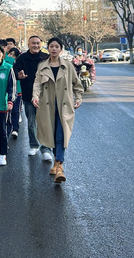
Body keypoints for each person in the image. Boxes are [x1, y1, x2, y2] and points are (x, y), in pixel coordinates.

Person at [32, 37, 82, 183]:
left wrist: (78, 98)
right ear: (47, 48)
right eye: (51, 46)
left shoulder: (67, 66)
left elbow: (77, 84)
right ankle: (56, 162)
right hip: (47, 106)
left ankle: (59, 166)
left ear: (60, 49)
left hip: (64, 106)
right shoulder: (42, 66)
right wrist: (35, 97)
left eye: (56, 46)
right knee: (52, 135)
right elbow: (37, 84)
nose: (54, 49)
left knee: (61, 134)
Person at [13, 35, 52, 160]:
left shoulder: (46, 58)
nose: (36, 45)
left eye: (38, 43)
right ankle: (34, 145)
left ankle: (46, 148)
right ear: (28, 45)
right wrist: (19, 75)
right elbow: (15, 71)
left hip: (45, 95)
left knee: (45, 123)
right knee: (31, 122)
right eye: (33, 43)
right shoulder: (22, 58)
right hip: (28, 94)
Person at [6, 47, 22, 139]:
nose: (11, 56)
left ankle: (15, 129)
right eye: (10, 54)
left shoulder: (19, 63)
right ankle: (9, 129)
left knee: (15, 111)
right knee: (8, 112)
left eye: (13, 55)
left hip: (18, 90)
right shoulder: (5, 62)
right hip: (7, 91)